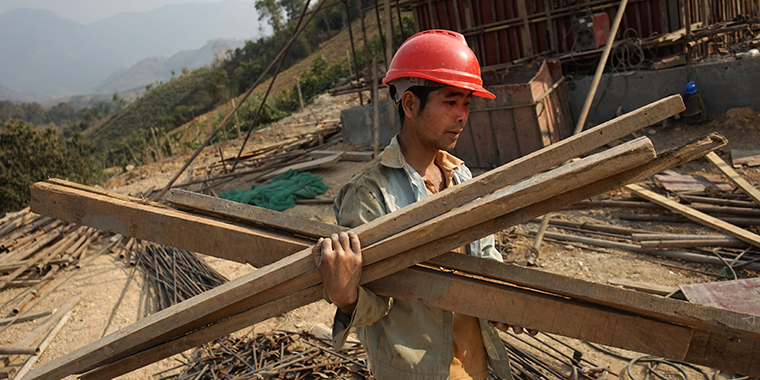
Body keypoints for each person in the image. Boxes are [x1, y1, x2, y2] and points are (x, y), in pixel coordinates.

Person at [312, 29, 528, 380]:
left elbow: (485, 257)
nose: (462, 115)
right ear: (410, 104)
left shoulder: (462, 177)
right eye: (450, 101)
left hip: (475, 367)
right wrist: (346, 296)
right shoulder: (370, 193)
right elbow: (374, 304)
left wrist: (506, 302)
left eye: (467, 103)